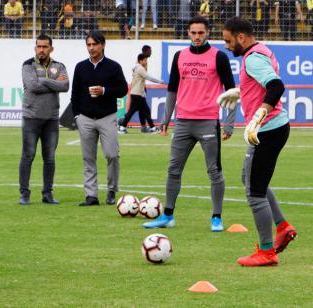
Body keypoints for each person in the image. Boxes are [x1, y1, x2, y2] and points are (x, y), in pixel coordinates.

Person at [143, 16, 235, 231]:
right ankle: (168, 216)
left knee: (214, 171)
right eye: (193, 33)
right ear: (187, 33)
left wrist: (229, 124)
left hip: (208, 122)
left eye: (201, 32)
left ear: (208, 33)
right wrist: (166, 119)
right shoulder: (179, 56)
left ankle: (216, 218)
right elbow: (172, 90)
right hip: (182, 122)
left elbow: (231, 92)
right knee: (173, 170)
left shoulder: (219, 57)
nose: (197, 37)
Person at [220, 17, 296, 266]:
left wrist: (260, 115)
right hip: (276, 127)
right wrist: (241, 91)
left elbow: (275, 86)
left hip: (268, 129)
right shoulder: (261, 50)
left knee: (254, 191)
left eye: (228, 41)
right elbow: (263, 83)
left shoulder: (252, 58)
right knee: (251, 179)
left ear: (241, 38)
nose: (227, 46)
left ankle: (266, 252)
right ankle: (282, 227)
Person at [71, 31, 127, 206]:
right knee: (88, 158)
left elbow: (123, 90)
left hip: (107, 117)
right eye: (88, 44)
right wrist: (77, 116)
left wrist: (105, 91)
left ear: (102, 45)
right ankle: (91, 195)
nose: (91, 48)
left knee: (112, 155)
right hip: (85, 118)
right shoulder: (80, 67)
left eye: (94, 44)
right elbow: (75, 94)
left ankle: (111, 190)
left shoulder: (113, 66)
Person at [19, 34, 69, 205]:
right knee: (28, 156)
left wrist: (44, 81)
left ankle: (47, 193)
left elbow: (65, 86)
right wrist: (53, 82)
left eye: (45, 47)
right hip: (31, 117)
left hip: (52, 119)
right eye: (39, 46)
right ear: (35, 48)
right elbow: (32, 86)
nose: (41, 50)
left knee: (50, 158)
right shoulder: (28, 65)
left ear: (51, 48)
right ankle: (24, 193)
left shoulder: (59, 65)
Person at [118, 53, 163, 134]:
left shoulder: (137, 67)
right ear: (140, 60)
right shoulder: (140, 68)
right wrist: (160, 81)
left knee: (143, 111)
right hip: (137, 94)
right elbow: (148, 77)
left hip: (137, 93)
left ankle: (152, 128)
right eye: (145, 60)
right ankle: (122, 127)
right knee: (135, 112)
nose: (146, 62)